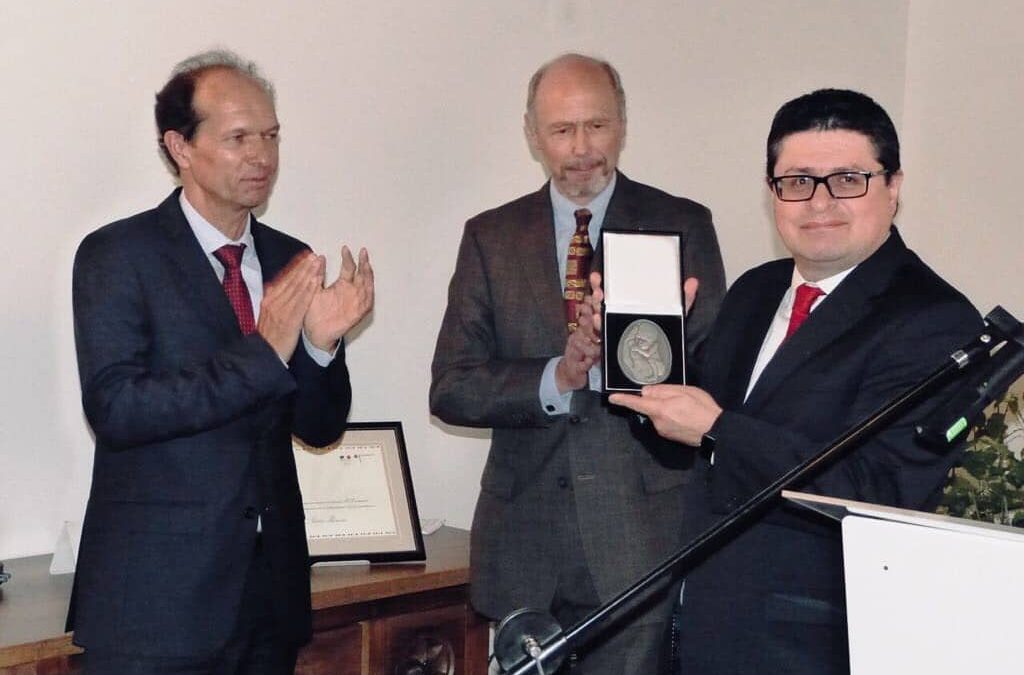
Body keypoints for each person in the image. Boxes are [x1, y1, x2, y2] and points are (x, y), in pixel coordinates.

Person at [604, 88, 983, 674]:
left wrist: (718, 430)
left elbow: (877, 488)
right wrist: (641, 359)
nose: (820, 202)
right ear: (773, 193)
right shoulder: (757, 289)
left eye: (848, 179)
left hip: (812, 641)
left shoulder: (936, 319)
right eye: (798, 181)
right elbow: (688, 449)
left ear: (893, 188)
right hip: (698, 620)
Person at [67, 50, 373, 674]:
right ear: (180, 146)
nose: (262, 155)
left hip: (269, 600)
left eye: (270, 136)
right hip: (155, 605)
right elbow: (117, 408)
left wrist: (319, 345)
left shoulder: (292, 258)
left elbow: (318, 428)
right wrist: (264, 351)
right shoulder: (117, 255)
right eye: (238, 138)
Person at [429, 53, 726, 673]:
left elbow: (715, 382)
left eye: (597, 126)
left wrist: (644, 360)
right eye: (562, 130)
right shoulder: (491, 236)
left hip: (643, 535)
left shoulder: (681, 224)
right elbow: (452, 388)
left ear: (623, 124)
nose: (581, 148)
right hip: (523, 541)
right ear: (533, 135)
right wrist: (559, 377)